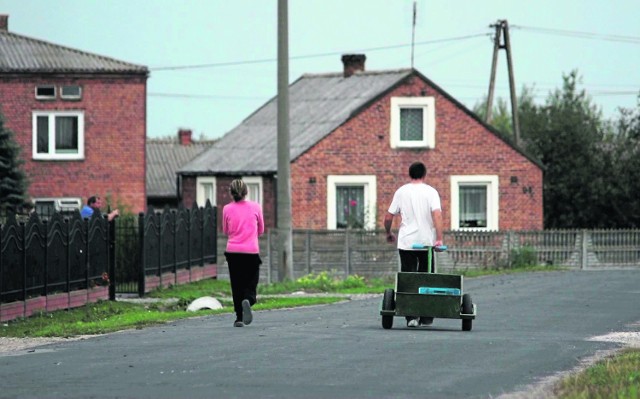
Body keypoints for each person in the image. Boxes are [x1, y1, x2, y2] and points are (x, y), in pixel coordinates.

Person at [384, 161, 444, 328]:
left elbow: (388, 217)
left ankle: (411, 317)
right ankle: (426, 315)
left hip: (406, 243)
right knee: (427, 277)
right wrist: (438, 238)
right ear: (424, 175)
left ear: (409, 174)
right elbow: (437, 216)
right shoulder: (431, 192)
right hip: (426, 243)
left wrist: (388, 233)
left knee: (409, 278)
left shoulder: (401, 192)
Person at [223, 179, 265, 327]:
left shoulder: (227, 209)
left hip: (233, 252)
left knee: (236, 284)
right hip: (251, 251)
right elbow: (261, 230)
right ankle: (249, 299)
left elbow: (225, 230)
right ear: (246, 192)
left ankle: (239, 318)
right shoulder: (256, 207)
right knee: (251, 281)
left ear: (231, 193)